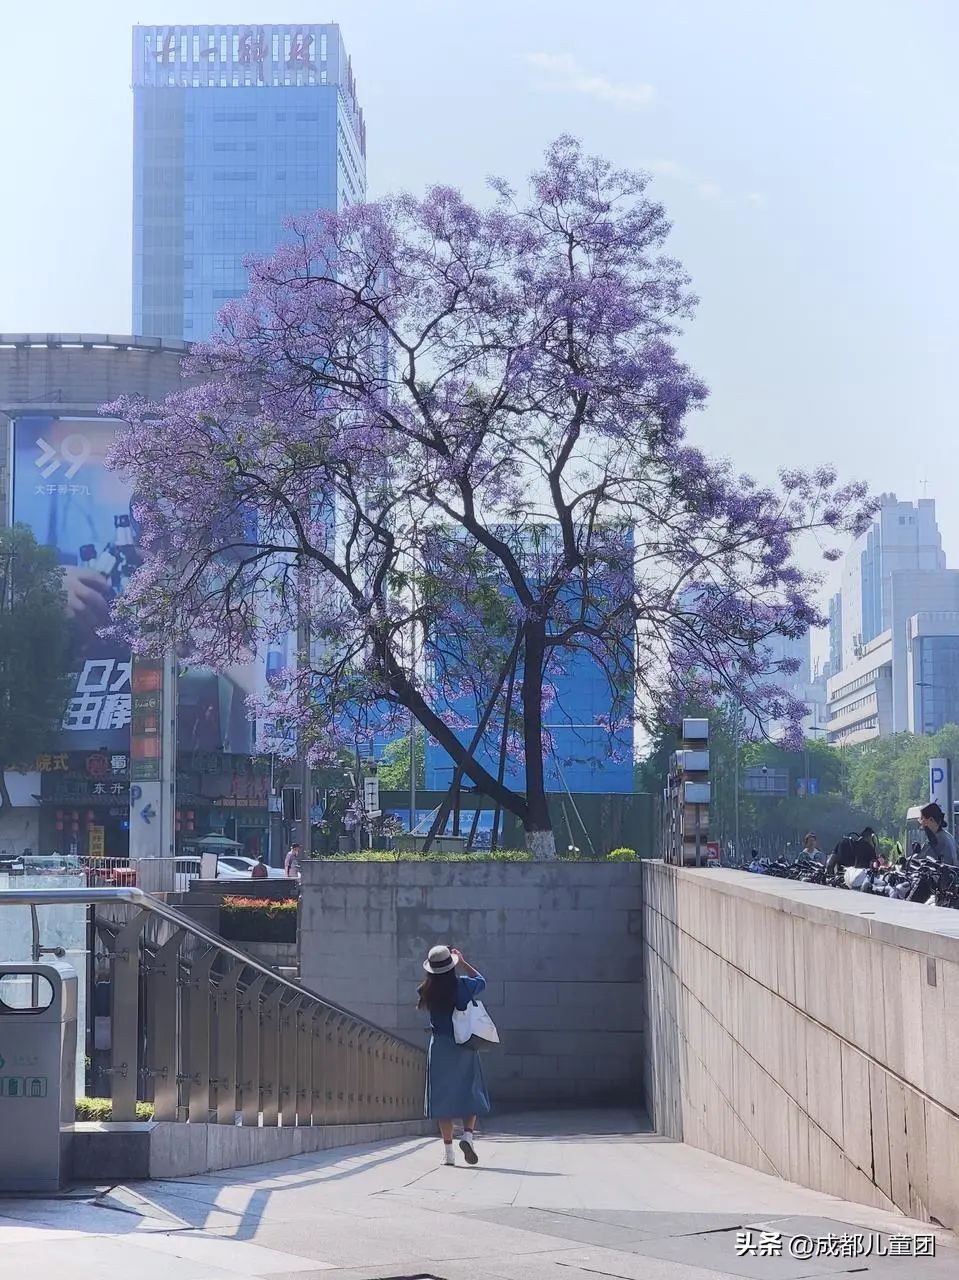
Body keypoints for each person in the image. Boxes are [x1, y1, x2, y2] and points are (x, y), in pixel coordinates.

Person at [418, 945, 491, 1167]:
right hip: (464, 1044)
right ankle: (467, 1136)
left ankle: (448, 1153)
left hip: (439, 1045)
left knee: (442, 1098)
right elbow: (482, 980)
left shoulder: (425, 990)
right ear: (451, 965)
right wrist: (462, 961)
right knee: (470, 1090)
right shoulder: (463, 986)